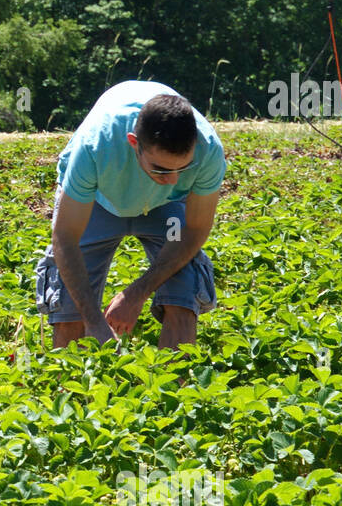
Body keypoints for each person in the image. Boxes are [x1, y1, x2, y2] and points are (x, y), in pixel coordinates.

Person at [34, 80, 226, 350]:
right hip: (99, 201)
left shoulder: (208, 152)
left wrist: (137, 293)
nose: (172, 179)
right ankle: (75, 387)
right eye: (160, 169)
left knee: (182, 295)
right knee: (70, 312)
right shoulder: (95, 148)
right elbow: (65, 237)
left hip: (167, 209)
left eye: (183, 168)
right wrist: (94, 321)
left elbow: (194, 230)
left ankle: (176, 390)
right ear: (134, 143)